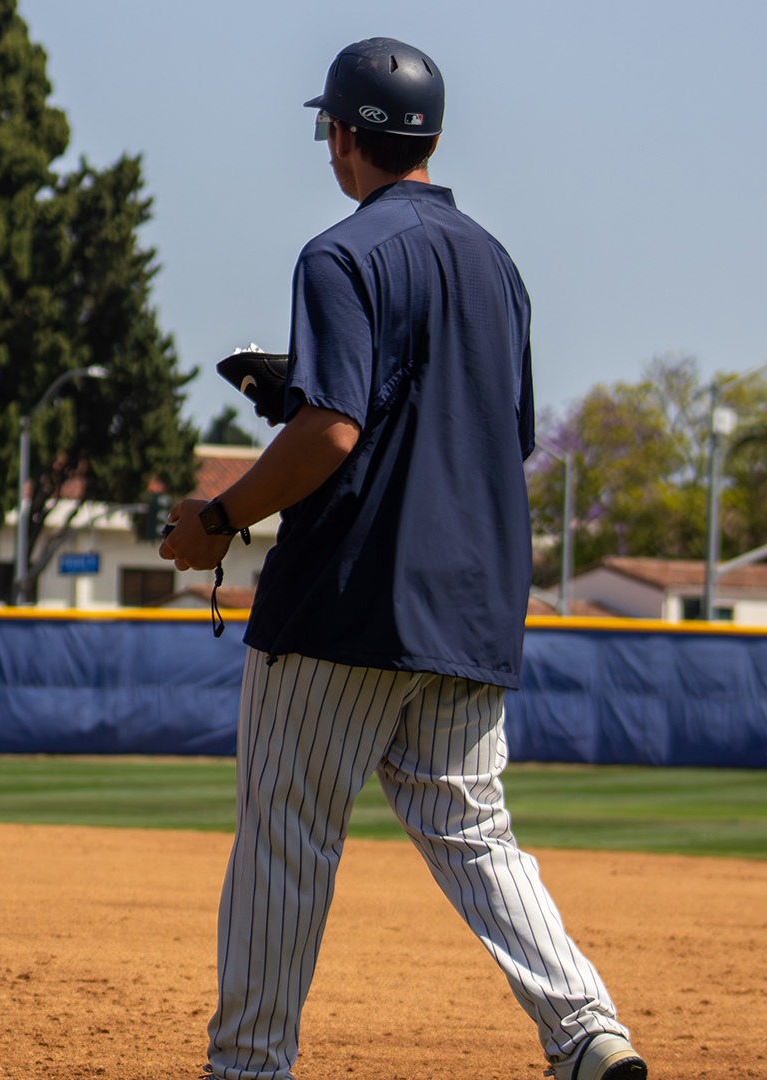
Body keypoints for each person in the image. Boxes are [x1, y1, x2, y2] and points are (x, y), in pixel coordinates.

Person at [160, 38, 645, 1080]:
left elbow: (335, 431)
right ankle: (587, 1032)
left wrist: (222, 515)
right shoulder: (497, 265)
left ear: (343, 134)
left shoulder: (341, 254)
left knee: (288, 837)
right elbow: (483, 428)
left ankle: (247, 1064)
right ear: (428, 136)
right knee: (476, 835)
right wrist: (299, 395)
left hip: (346, 600)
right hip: (472, 602)